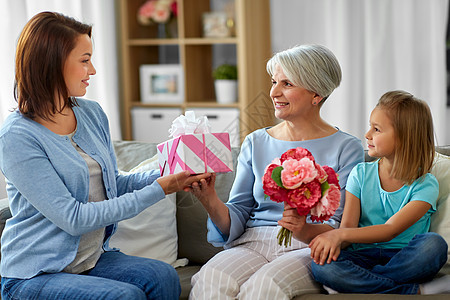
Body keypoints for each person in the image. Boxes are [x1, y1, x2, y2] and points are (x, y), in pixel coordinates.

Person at [0, 11, 211, 300]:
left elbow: (113, 185)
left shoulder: (91, 114)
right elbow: (73, 218)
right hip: (37, 274)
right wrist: (160, 190)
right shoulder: (17, 136)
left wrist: (169, 175)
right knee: (123, 296)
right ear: (52, 63)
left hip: (90, 261)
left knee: (162, 276)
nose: (93, 70)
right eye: (85, 60)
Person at [189, 44, 365, 299]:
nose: (274, 92)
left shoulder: (346, 147)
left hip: (308, 245)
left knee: (264, 288)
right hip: (252, 242)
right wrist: (209, 199)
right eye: (274, 82)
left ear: (316, 94)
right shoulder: (255, 142)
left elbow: (339, 226)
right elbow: (239, 212)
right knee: (210, 278)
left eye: (287, 84)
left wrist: (302, 228)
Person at [310, 90, 448, 294]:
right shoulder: (361, 173)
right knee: (321, 265)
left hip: (404, 257)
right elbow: (348, 228)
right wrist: (334, 237)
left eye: (376, 129)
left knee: (434, 246)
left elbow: (390, 230)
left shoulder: (426, 184)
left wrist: (338, 235)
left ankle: (359, 284)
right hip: (362, 255)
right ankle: (411, 291)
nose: (367, 135)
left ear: (404, 137)